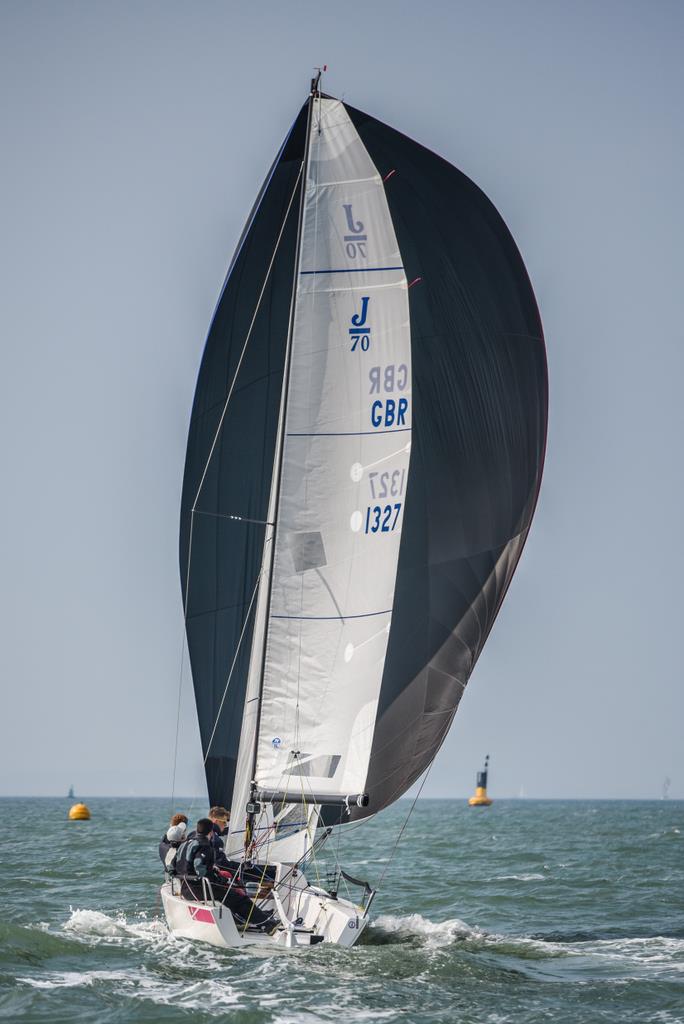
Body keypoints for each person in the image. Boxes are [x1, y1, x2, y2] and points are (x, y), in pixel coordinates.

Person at [174, 818, 276, 930]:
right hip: (200, 890)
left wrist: (210, 872)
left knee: (232, 893)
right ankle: (265, 924)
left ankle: (250, 918)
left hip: (185, 889)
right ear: (211, 832)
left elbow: (171, 867)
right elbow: (200, 869)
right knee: (239, 897)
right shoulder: (204, 845)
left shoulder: (184, 844)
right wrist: (220, 881)